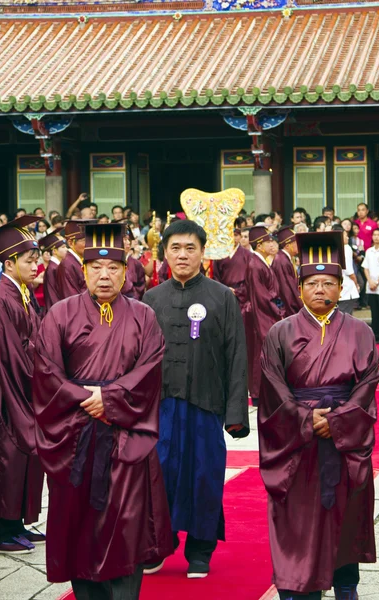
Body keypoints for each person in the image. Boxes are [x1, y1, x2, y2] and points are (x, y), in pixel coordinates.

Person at [33, 222, 173, 599]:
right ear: (83, 270)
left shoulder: (143, 316)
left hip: (126, 438)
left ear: (126, 270)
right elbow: (46, 371)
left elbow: (151, 368)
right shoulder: (60, 314)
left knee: (126, 529)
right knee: (82, 531)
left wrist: (109, 401)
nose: (105, 275)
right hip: (76, 438)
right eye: (96, 267)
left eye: (113, 268)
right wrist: (85, 400)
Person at [259, 230, 379, 600]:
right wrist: (305, 420)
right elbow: (271, 386)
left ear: (341, 287)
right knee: (297, 528)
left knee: (344, 526)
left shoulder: (361, 332)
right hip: (297, 445)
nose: (320, 290)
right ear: (299, 287)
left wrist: (338, 420)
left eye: (329, 283)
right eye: (312, 283)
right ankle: (298, 590)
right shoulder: (281, 332)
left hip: (344, 445)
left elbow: (368, 383)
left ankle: (346, 588)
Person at [143, 220, 249, 579]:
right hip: (162, 406)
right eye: (175, 248)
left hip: (206, 405)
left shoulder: (222, 297)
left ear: (203, 252)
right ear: (166, 253)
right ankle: (161, 542)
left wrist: (235, 413)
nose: (183, 255)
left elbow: (237, 355)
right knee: (161, 474)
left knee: (204, 475)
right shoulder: (151, 299)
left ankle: (200, 550)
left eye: (190, 248)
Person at [0, 216, 45, 554]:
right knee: (10, 454)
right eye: (30, 260)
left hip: (26, 384)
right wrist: (37, 382)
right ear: (9, 263)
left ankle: (17, 522)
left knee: (26, 456)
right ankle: (2, 526)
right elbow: (10, 354)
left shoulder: (22, 293)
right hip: (10, 387)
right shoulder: (2, 299)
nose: (37, 265)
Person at [245, 226, 284, 406]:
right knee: (259, 355)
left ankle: (267, 390)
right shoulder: (255, 265)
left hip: (267, 313)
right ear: (260, 245)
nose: (272, 244)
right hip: (261, 316)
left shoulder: (262, 262)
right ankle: (258, 393)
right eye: (268, 241)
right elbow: (261, 296)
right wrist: (278, 311)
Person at [213, 226, 251, 311]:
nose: (233, 238)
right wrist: (224, 289)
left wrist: (239, 291)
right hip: (223, 292)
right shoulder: (219, 254)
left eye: (236, 235)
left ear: (240, 237)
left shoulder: (248, 255)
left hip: (242, 294)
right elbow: (216, 275)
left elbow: (250, 277)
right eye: (230, 235)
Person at [272, 226, 303, 317]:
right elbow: (286, 290)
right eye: (296, 243)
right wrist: (300, 306)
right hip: (288, 309)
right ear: (288, 246)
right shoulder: (281, 261)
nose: (299, 245)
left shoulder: (286, 259)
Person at [56, 220, 88, 300]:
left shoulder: (80, 260)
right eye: (84, 240)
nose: (89, 244)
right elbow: (70, 297)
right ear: (70, 243)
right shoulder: (67, 264)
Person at [39, 231, 68, 311]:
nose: (66, 249)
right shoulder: (52, 268)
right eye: (63, 247)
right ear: (54, 251)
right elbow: (52, 295)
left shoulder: (57, 266)